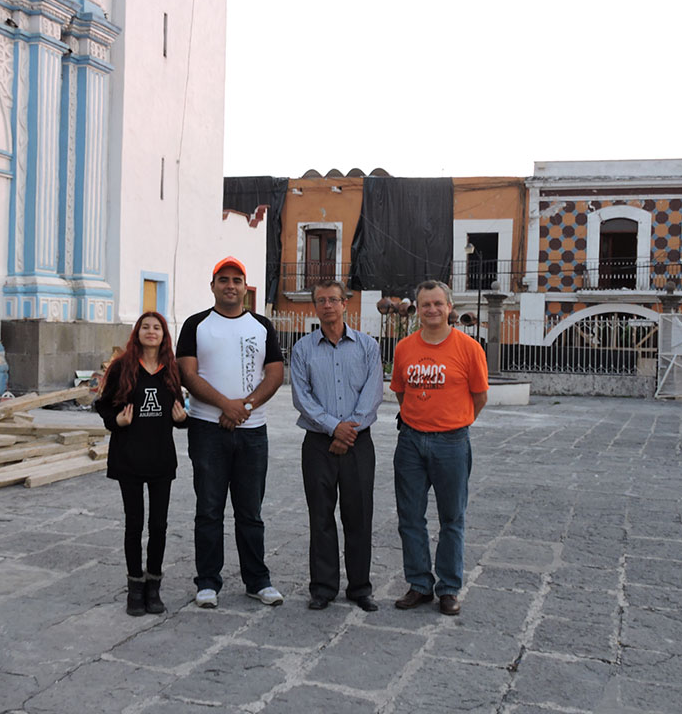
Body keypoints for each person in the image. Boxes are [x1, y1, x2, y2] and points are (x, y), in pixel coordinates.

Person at [176, 256, 286, 608]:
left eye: (236, 280)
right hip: (207, 431)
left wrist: (245, 408)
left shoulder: (261, 326)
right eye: (223, 280)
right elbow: (188, 375)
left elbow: (275, 374)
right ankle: (208, 581)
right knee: (209, 509)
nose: (230, 286)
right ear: (213, 286)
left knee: (250, 511)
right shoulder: (196, 325)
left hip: (253, 432)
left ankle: (257, 580)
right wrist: (226, 405)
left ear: (245, 288)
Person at [389, 280, 488, 616]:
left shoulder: (468, 348)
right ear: (417, 309)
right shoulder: (404, 347)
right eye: (424, 304)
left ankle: (448, 588)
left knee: (452, 518)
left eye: (437, 304)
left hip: (452, 443)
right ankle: (419, 583)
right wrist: (419, 418)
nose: (431, 310)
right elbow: (401, 391)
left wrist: (455, 421)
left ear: (449, 307)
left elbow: (480, 396)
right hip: (411, 442)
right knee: (410, 517)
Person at [290, 280, 384, 611]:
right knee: (321, 516)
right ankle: (323, 588)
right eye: (321, 301)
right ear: (314, 307)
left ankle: (360, 588)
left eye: (333, 299)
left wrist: (349, 431)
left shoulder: (367, 346)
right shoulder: (302, 349)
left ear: (345, 304)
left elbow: (373, 394)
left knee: (359, 516)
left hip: (358, 442)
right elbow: (302, 398)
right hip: (318, 443)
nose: (327, 305)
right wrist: (334, 429)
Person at [95, 312, 188, 617]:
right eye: (145, 327)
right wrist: (116, 421)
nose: (151, 331)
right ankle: (135, 587)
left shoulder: (171, 369)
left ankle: (154, 585)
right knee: (134, 523)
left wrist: (182, 420)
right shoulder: (123, 366)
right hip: (129, 457)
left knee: (158, 525)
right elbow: (103, 404)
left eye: (157, 327)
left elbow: (179, 412)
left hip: (161, 457)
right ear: (137, 333)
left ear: (164, 335)